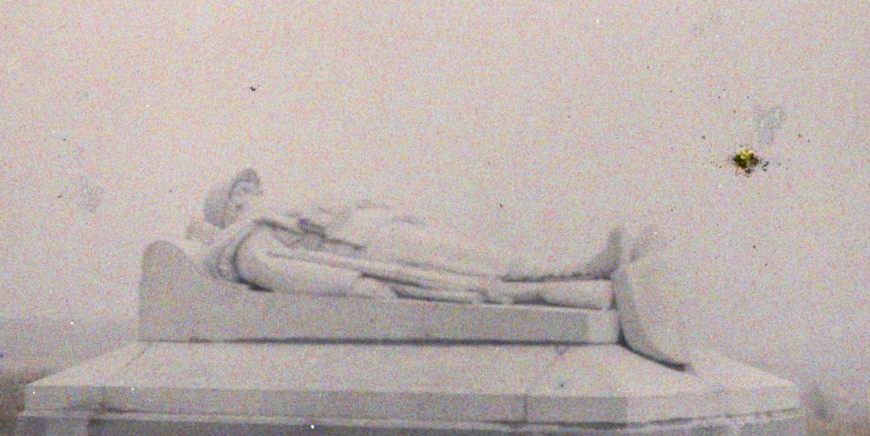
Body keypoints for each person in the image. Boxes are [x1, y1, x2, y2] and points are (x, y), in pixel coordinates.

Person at [185, 168, 652, 310]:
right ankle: (581, 274)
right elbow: (282, 272)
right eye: (241, 193)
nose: (255, 193)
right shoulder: (246, 239)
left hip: (380, 233)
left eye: (253, 186)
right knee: (471, 270)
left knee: (477, 256)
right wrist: (352, 288)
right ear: (230, 212)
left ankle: (581, 271)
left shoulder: (288, 210)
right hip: (364, 255)